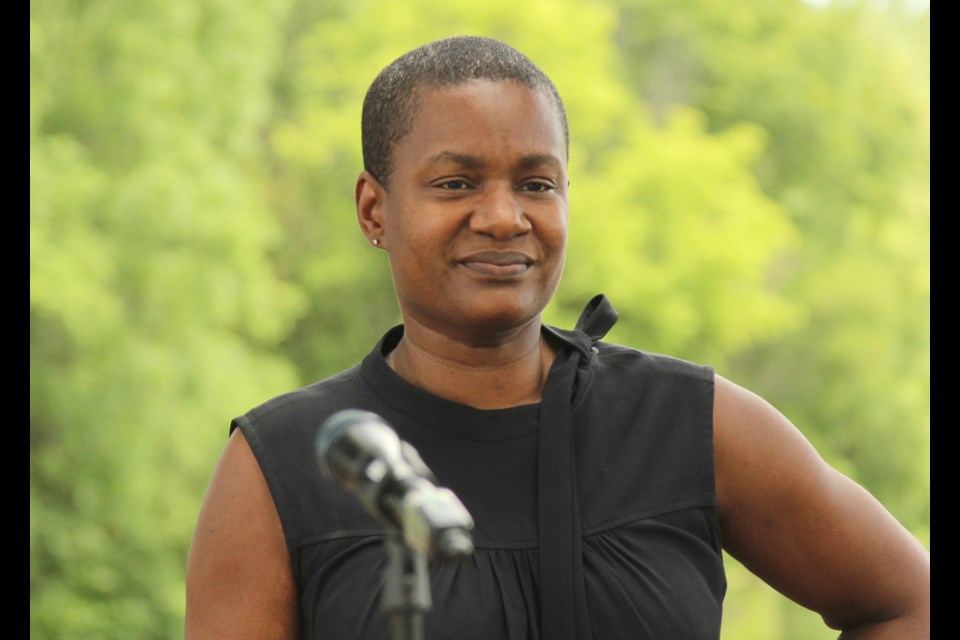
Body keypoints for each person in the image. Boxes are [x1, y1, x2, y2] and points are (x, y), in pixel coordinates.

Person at [184, 35, 930, 639]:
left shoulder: (690, 425)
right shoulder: (283, 468)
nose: (505, 217)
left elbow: (908, 603)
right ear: (375, 210)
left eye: (537, 183)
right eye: (456, 184)